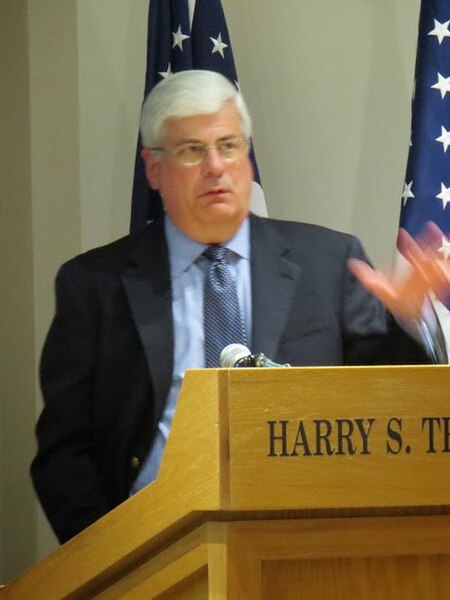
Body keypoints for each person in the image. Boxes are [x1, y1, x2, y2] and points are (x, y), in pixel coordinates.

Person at [31, 70, 449, 544]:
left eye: (229, 145)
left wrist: (408, 319)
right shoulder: (93, 285)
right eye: (192, 150)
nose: (215, 166)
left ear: (247, 157)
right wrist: (108, 564)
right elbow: (64, 455)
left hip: (307, 541)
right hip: (150, 548)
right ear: (153, 168)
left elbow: (391, 417)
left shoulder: (327, 263)